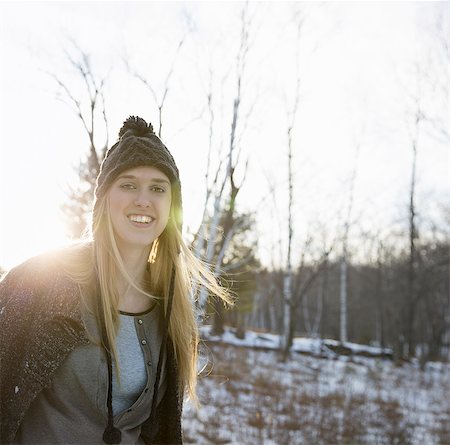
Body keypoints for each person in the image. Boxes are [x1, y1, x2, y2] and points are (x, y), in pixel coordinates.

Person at [0, 116, 230, 445]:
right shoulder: (44, 281)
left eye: (157, 188)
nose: (143, 199)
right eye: (128, 184)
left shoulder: (171, 308)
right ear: (105, 198)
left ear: (171, 207)